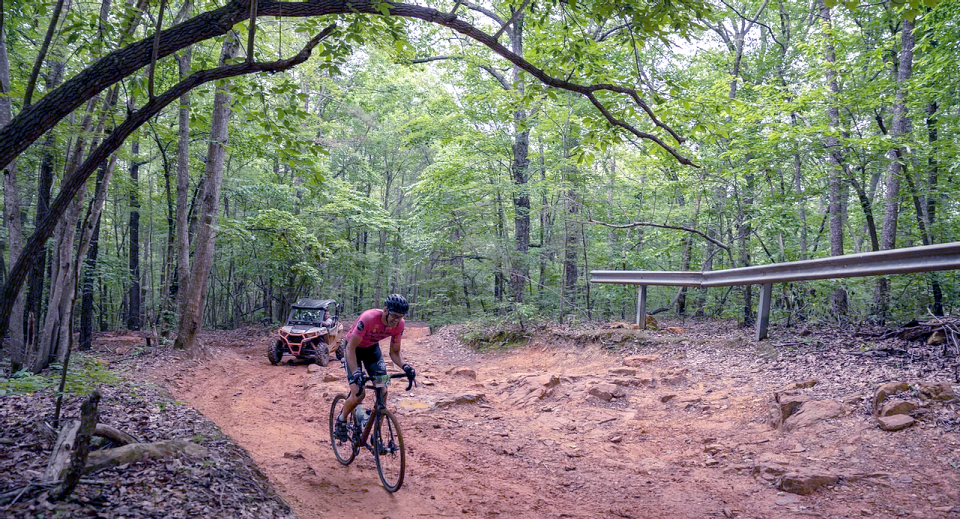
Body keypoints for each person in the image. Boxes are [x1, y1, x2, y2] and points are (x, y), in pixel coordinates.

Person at [334, 294, 416, 440]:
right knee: (359, 393)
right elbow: (350, 349)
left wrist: (406, 367)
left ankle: (376, 435)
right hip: (353, 349)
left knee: (383, 390)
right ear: (385, 310)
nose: (397, 320)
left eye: (400, 317)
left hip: (372, 350)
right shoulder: (369, 318)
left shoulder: (400, 324)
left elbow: (395, 352)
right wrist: (356, 373)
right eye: (394, 316)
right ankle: (341, 419)